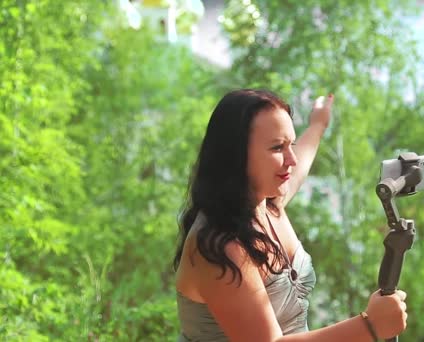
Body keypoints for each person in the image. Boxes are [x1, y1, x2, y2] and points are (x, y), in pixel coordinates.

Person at [174, 89, 408, 341]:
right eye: (277, 147)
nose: (292, 159)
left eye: (291, 144)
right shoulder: (218, 245)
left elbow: (302, 161)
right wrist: (369, 327)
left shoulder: (268, 204)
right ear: (235, 155)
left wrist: (318, 124)